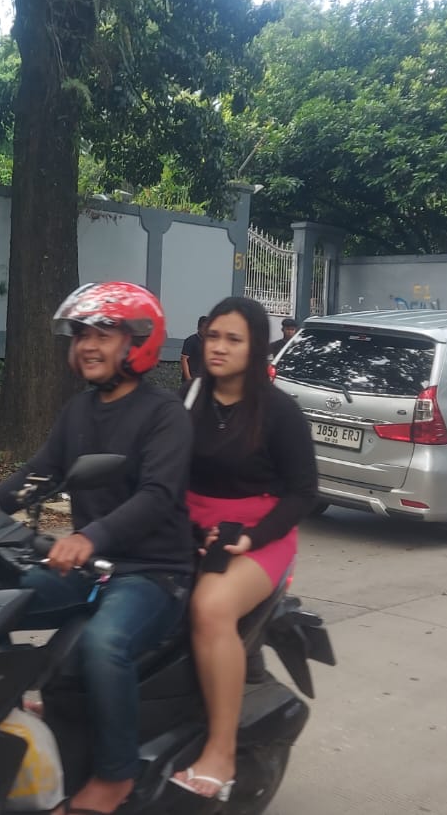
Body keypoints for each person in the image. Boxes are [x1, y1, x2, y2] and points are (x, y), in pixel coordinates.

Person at [0, 282, 192, 815]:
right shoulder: (79, 411)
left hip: (151, 573)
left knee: (103, 643)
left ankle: (116, 775)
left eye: (103, 334)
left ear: (137, 342)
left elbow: (157, 497)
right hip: (91, 568)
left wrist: (89, 537)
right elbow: (38, 475)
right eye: (81, 335)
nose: (88, 346)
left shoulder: (164, 415)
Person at [169, 296, 317, 802]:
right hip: (188, 526)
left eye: (233, 339)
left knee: (210, 608)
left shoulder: (279, 411)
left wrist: (250, 537)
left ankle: (221, 751)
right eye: (213, 336)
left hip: (257, 533)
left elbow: (303, 493)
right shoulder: (190, 398)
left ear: (255, 348)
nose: (219, 347)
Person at [180, 316, 209, 382]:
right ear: (199, 328)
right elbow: (184, 359)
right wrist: (188, 378)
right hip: (192, 378)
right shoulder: (191, 340)